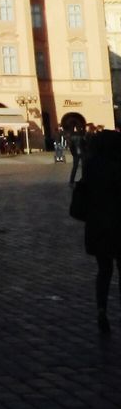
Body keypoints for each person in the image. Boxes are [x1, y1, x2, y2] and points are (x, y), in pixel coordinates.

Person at [76, 130, 121, 332]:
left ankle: (101, 309)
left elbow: (83, 196)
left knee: (104, 271)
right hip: (119, 225)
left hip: (97, 226)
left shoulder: (91, 166)